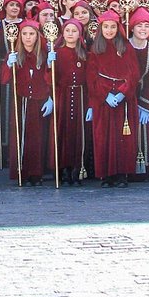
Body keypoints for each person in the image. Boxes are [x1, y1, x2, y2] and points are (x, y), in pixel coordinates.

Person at [85, 11, 140, 188]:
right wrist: (106, 95)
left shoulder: (126, 47)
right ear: (101, 28)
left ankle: (122, 174)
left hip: (123, 100)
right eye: (106, 27)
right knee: (104, 137)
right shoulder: (95, 49)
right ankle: (106, 175)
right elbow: (91, 77)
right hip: (104, 101)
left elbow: (134, 74)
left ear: (118, 28)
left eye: (113, 27)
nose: (109, 30)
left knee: (123, 138)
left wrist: (123, 92)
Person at [2, 22, 54, 186]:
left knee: (38, 138)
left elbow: (51, 79)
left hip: (40, 101)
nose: (27, 37)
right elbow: (4, 79)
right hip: (22, 101)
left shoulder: (44, 55)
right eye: (24, 34)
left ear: (37, 36)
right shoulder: (15, 55)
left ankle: (37, 173)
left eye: (31, 34)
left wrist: (51, 98)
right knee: (21, 137)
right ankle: (21, 171)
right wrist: (8, 65)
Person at [51, 19, 89, 185]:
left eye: (74, 31)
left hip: (81, 95)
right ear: (63, 33)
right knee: (63, 131)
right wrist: (49, 63)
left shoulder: (85, 53)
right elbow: (50, 77)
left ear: (79, 33)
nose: (71, 34)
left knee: (78, 133)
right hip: (63, 96)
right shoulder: (58, 53)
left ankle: (77, 168)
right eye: (68, 31)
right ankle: (63, 168)